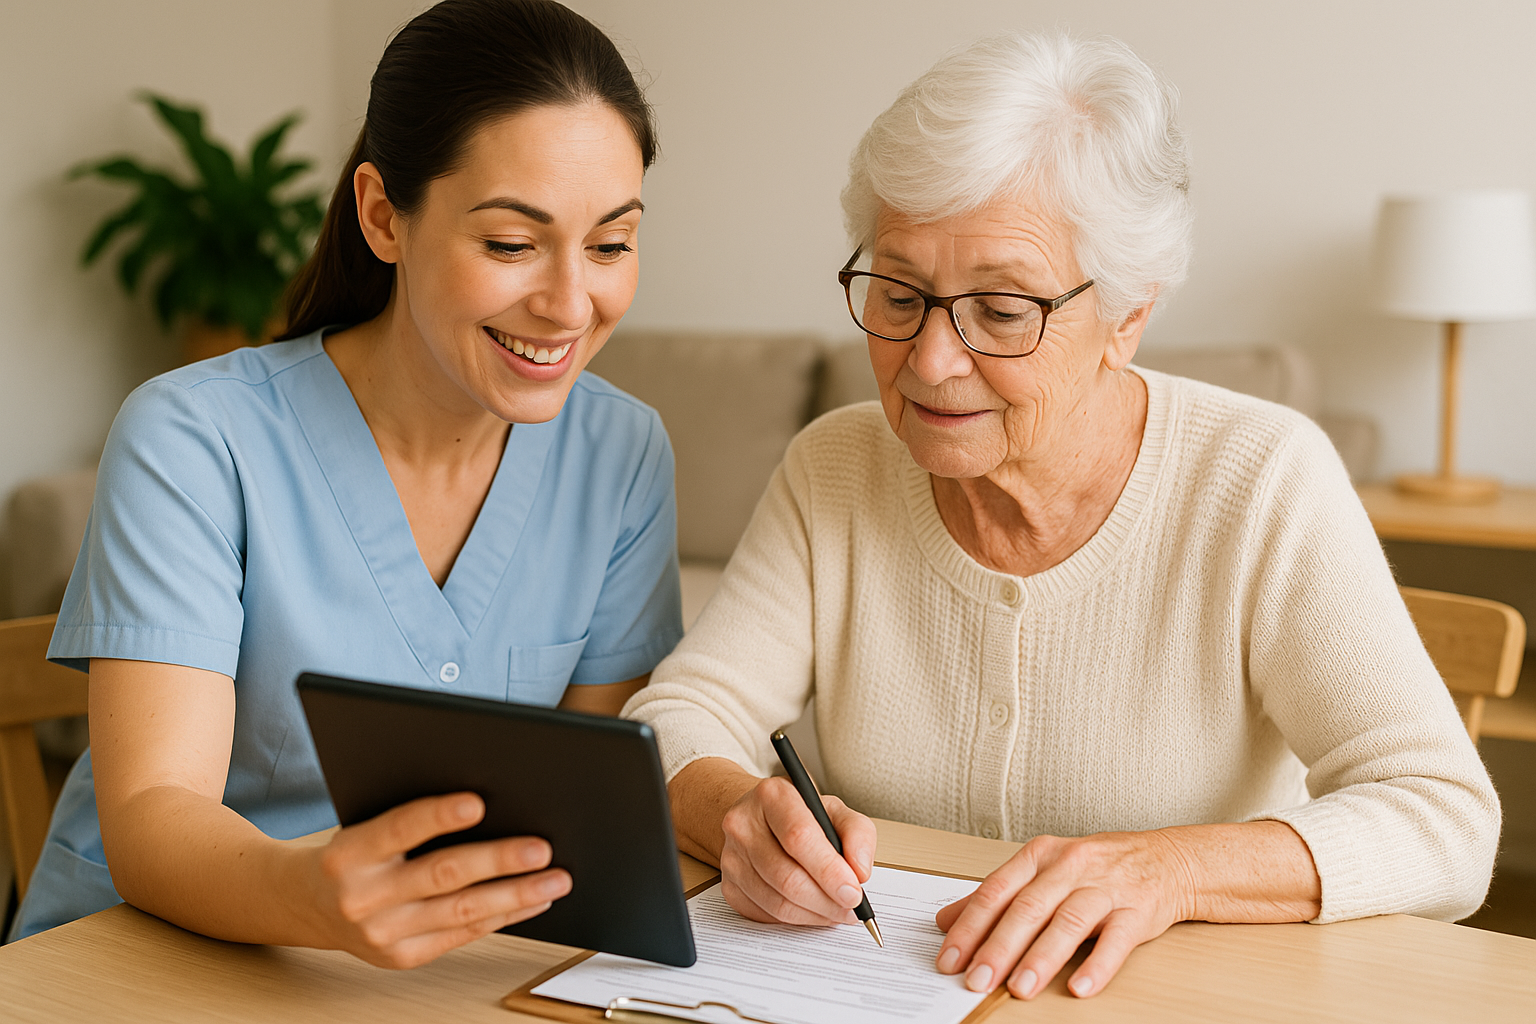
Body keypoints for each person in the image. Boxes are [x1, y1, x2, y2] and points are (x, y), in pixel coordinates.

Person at [625, 33, 1499, 1001]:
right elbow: (676, 716)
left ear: (1128, 315)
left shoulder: (1259, 479)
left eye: (1001, 310)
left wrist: (1166, 868)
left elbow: (1446, 816)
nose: (929, 362)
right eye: (900, 293)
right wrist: (740, 812)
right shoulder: (834, 467)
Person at [10, 0, 682, 968]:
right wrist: (312, 895)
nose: (572, 303)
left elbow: (587, 818)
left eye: (612, 244)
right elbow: (155, 815)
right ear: (382, 215)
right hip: (139, 961)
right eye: (509, 243)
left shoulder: (623, 453)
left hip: (439, 974)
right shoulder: (196, 437)